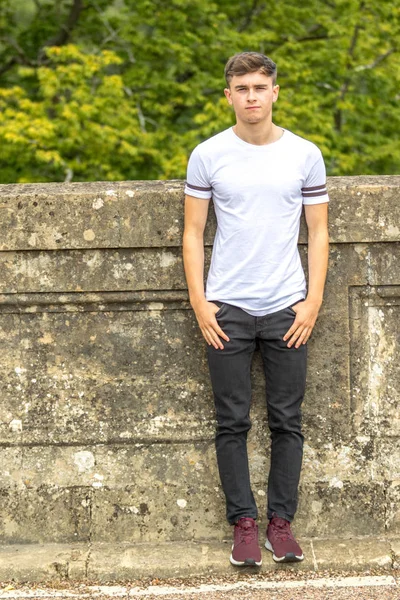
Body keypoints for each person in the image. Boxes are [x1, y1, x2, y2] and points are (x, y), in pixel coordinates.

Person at [182, 52, 329, 567]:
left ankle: (280, 524)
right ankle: (244, 523)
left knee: (288, 420)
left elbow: (318, 231)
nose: (250, 96)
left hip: (287, 307)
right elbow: (194, 232)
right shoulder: (208, 155)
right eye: (241, 88)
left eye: (259, 87)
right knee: (232, 422)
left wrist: (311, 301)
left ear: (274, 92)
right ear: (228, 95)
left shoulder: (305, 154)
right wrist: (201, 302)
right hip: (228, 310)